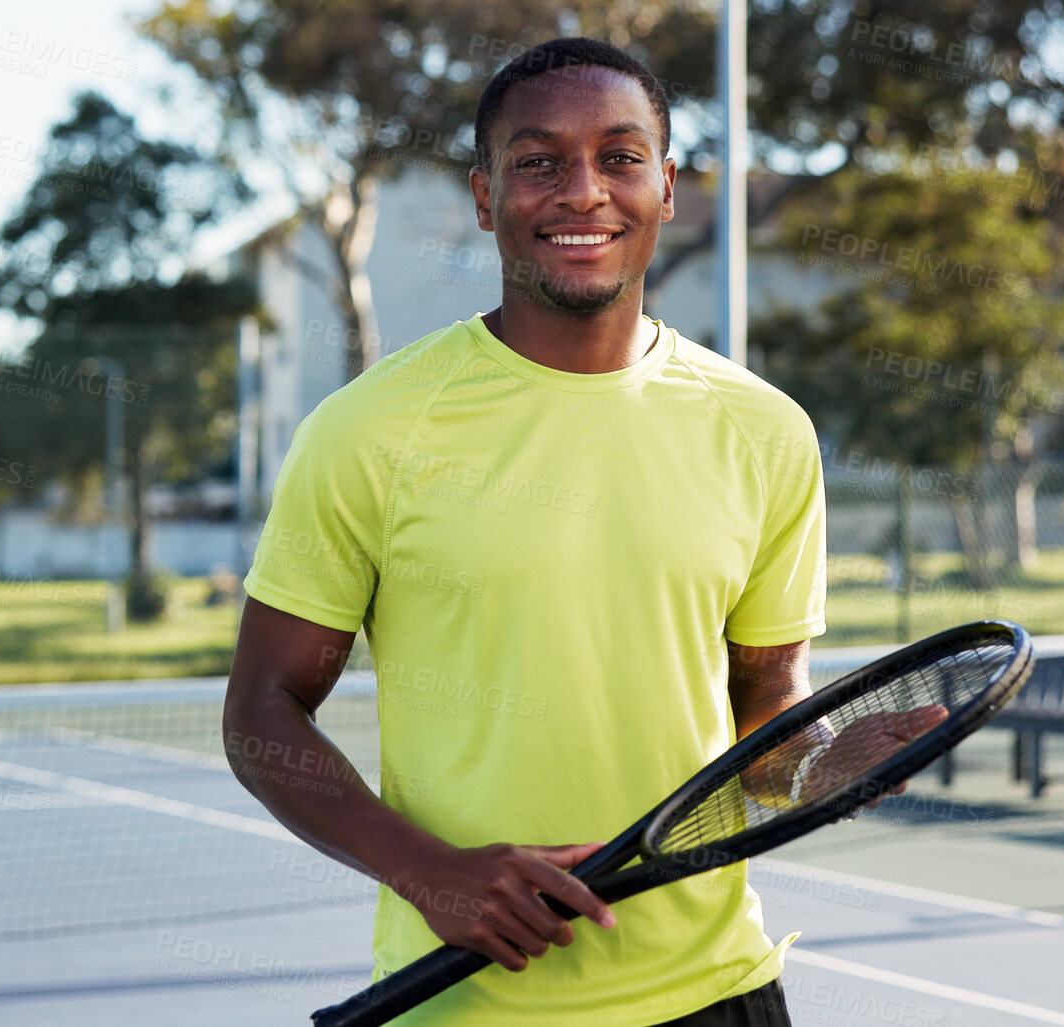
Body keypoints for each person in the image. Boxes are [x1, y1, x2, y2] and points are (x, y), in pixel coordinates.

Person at [225, 37, 826, 1026]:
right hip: (466, 1004)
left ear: (666, 187)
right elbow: (262, 709)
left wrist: (824, 759)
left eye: (620, 157)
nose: (582, 192)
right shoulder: (368, 429)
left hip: (719, 992)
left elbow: (766, 700)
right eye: (539, 162)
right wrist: (429, 871)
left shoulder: (766, 430)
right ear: (485, 195)